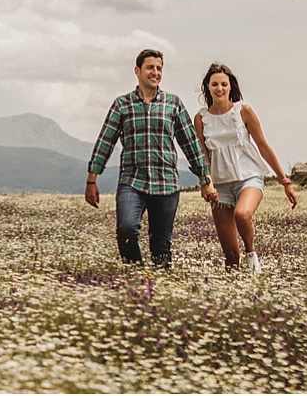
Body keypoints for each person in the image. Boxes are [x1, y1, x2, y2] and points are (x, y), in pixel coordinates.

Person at [85, 48, 219, 267]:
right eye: (150, 67)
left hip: (166, 184)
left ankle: (157, 289)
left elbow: (191, 143)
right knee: (126, 230)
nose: (155, 72)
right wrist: (92, 179)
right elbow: (105, 142)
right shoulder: (122, 104)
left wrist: (205, 180)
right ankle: (136, 277)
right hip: (132, 182)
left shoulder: (173, 104)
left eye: (159, 68)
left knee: (161, 245)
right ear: (137, 71)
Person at [192, 62, 298, 273]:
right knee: (231, 256)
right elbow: (202, 155)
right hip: (220, 185)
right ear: (208, 87)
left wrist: (284, 181)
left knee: (242, 214)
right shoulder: (200, 118)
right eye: (215, 84)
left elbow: (263, 146)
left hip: (248, 178)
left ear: (231, 86)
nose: (219, 88)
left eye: (224, 84)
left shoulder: (243, 111)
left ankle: (251, 254)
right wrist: (206, 184)